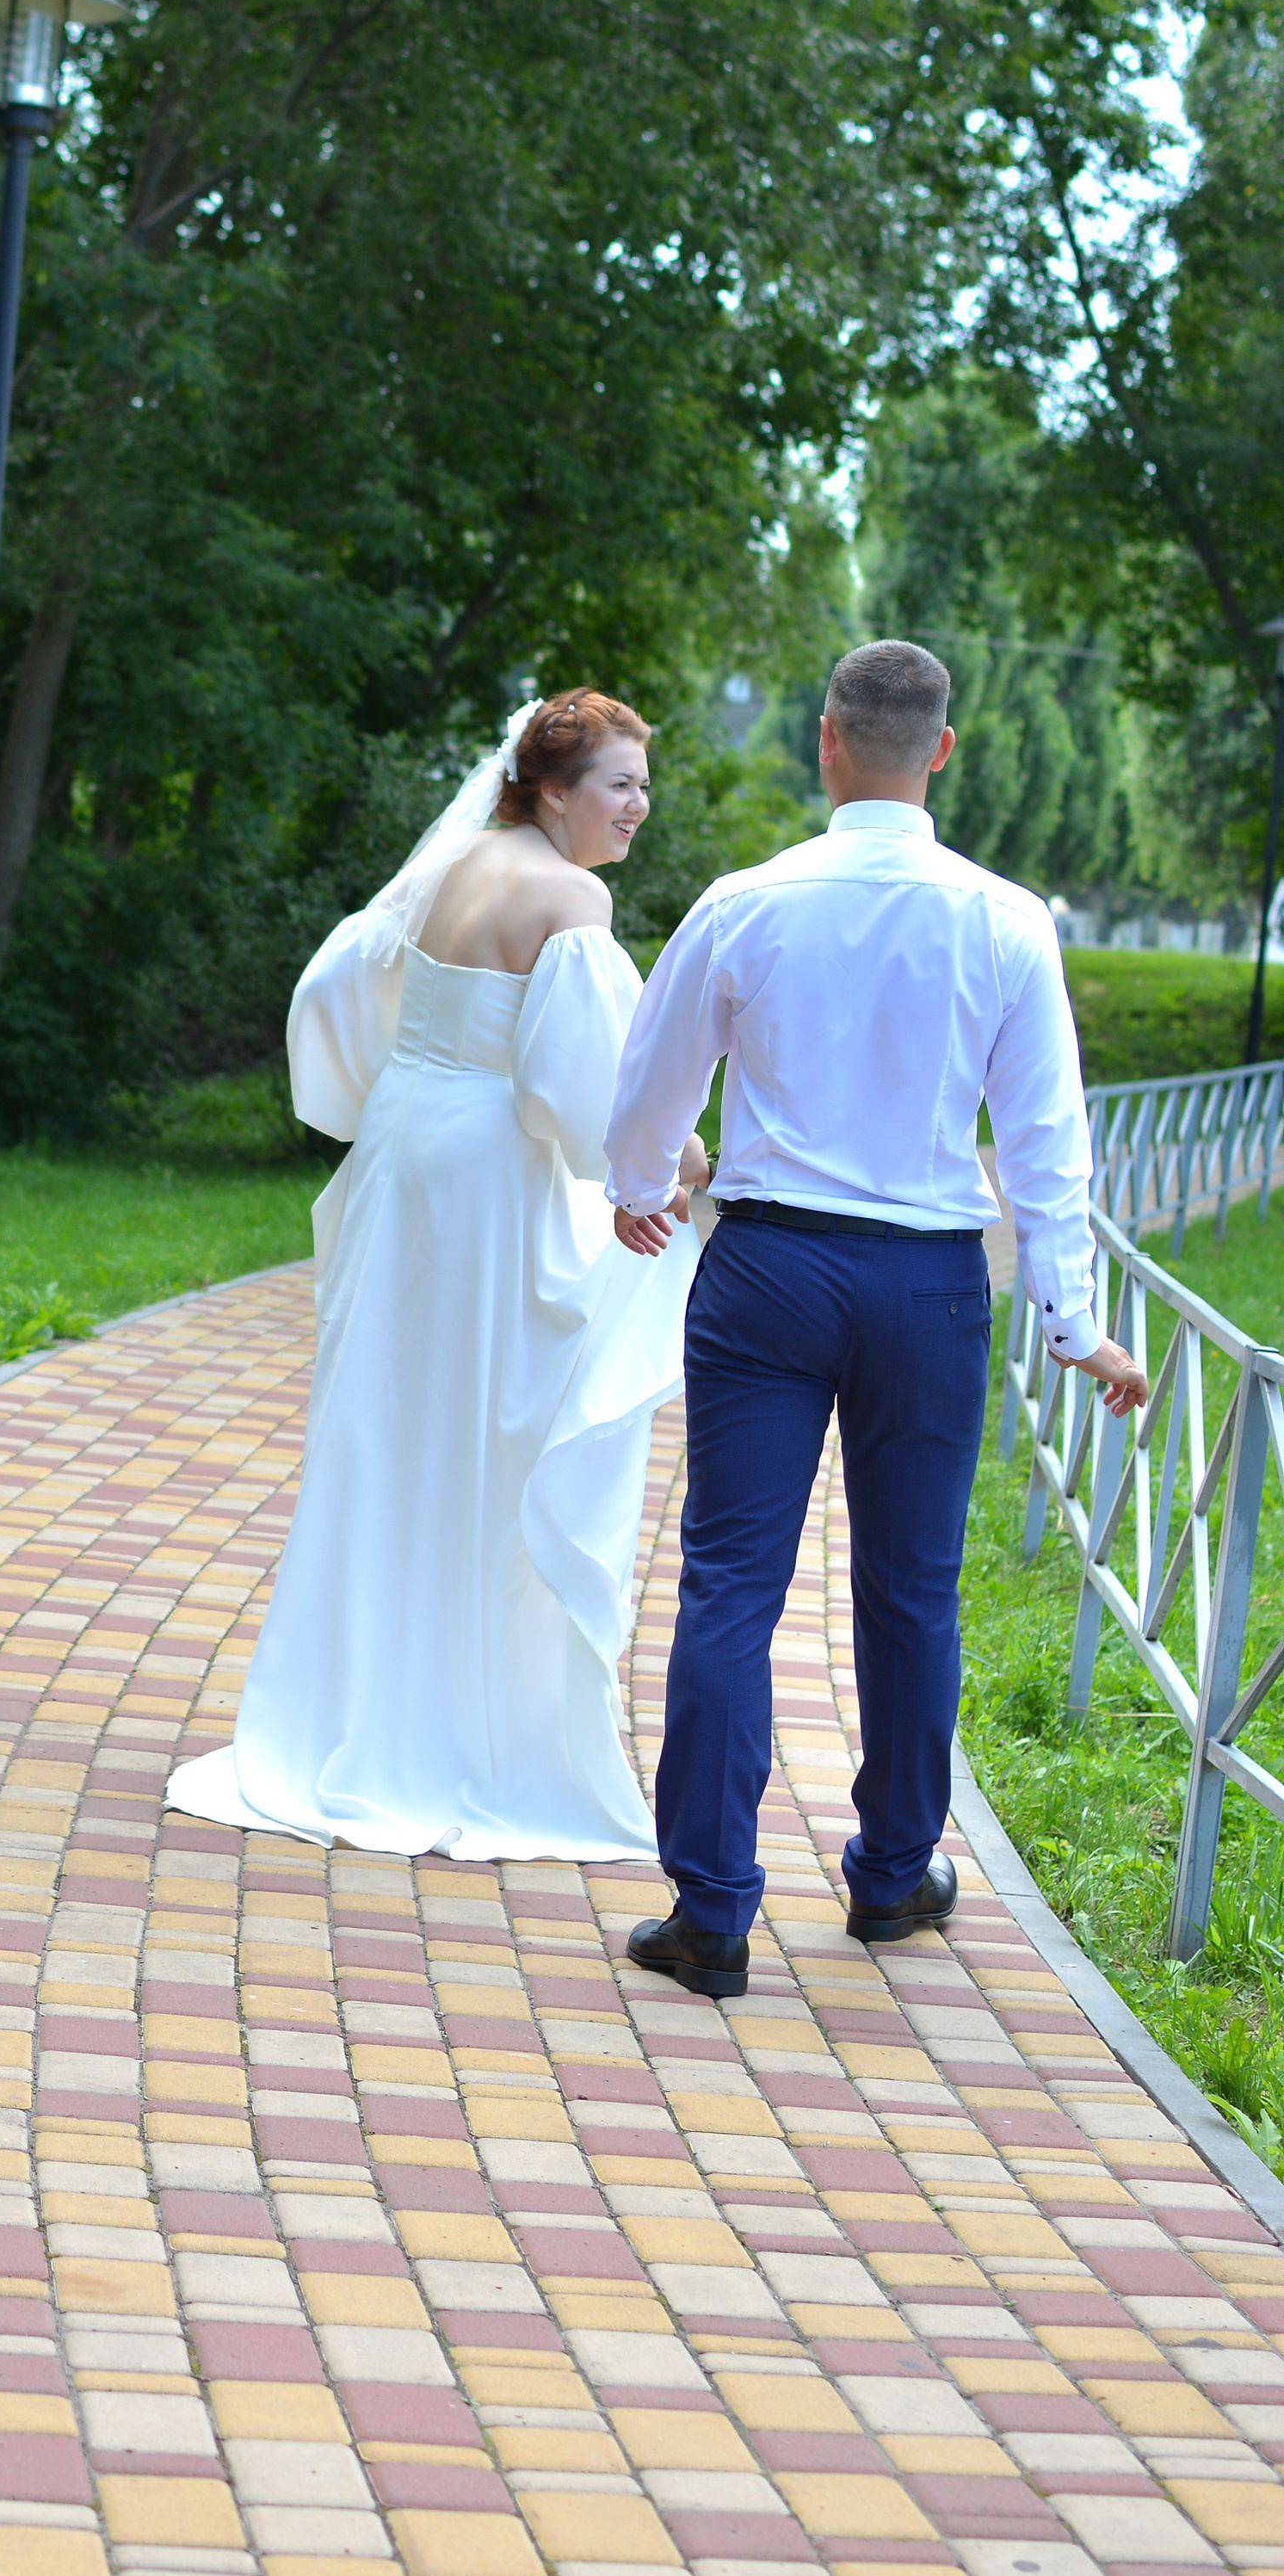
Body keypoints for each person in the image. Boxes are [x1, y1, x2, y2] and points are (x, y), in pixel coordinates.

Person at [603, 639, 1146, 1998]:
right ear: (943, 753)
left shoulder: (746, 901)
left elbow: (651, 1078)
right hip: (929, 1282)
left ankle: (714, 1911)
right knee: (912, 1588)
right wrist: (1076, 1325)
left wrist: (633, 1188)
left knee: (733, 1581)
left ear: (826, 739)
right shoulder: (1008, 920)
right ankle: (895, 1875)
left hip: (771, 1270)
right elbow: (1045, 1145)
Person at [165, 691, 706, 1861]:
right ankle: (459, 1729)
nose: (637, 807)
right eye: (618, 783)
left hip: (403, 1154)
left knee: (385, 1428)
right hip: (479, 1184)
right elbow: (571, 1088)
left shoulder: (458, 861)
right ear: (553, 787)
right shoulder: (571, 895)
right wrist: (664, 1167)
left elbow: (348, 984)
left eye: (642, 786)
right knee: (478, 1441)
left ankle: (347, 1715)